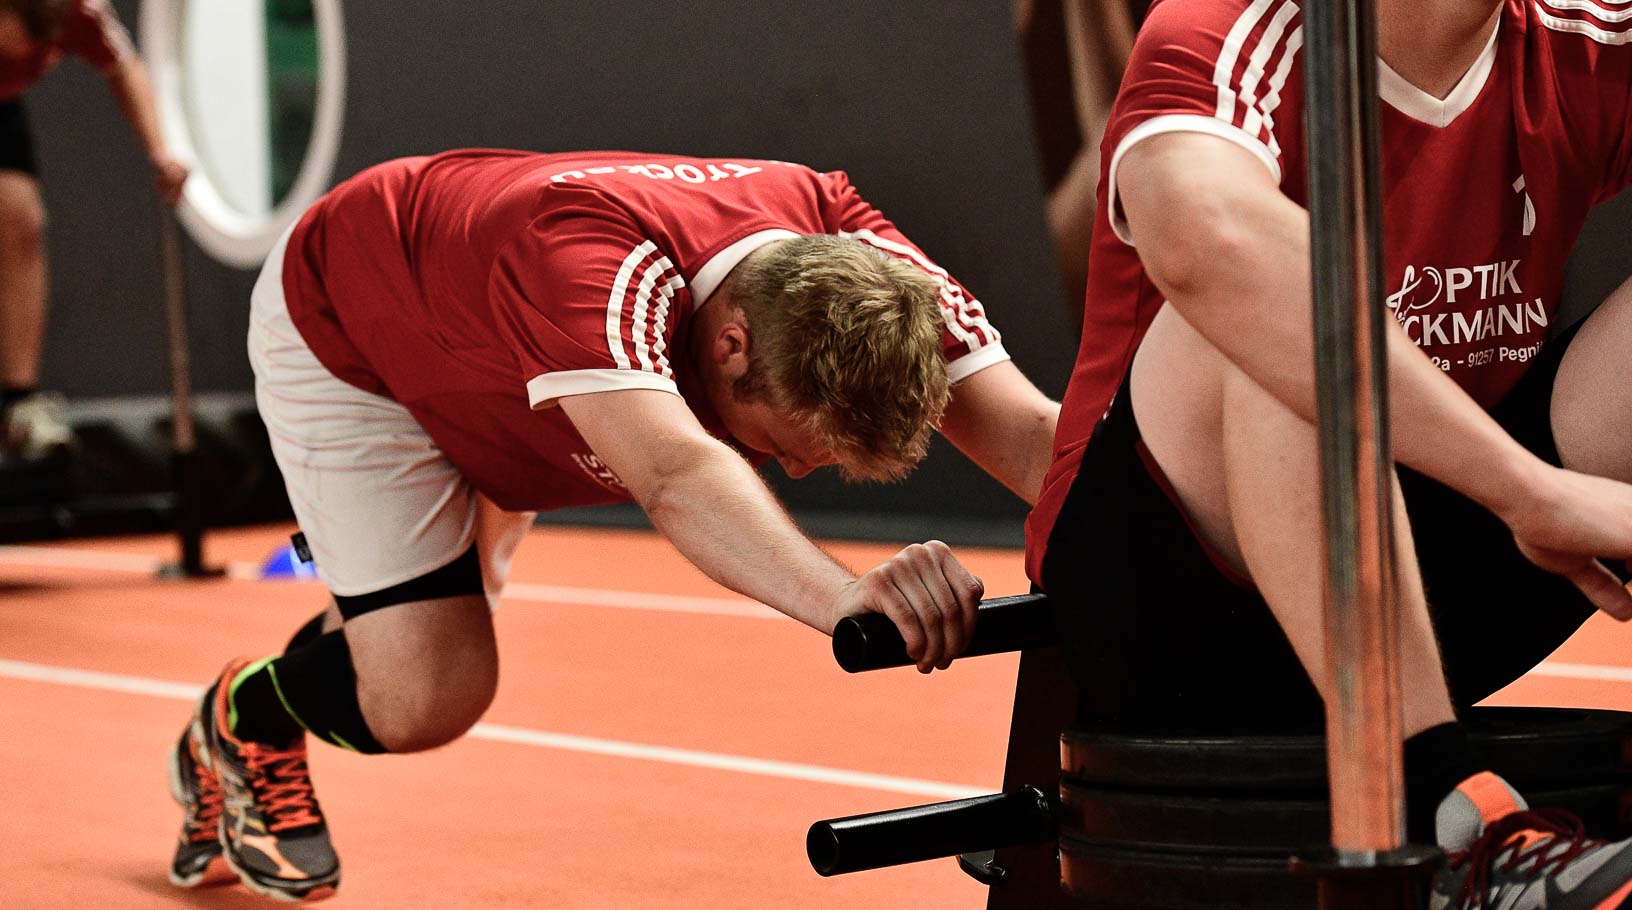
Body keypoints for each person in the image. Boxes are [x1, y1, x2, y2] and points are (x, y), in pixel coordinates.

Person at [165, 150, 1061, 899]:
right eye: (780, 444)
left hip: (512, 369)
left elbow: (1031, 437)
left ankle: (363, 624)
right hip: (358, 336)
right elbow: (676, 475)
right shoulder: (585, 257)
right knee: (424, 699)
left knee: (403, 635)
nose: (787, 471)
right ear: (730, 344)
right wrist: (843, 597)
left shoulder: (857, 246)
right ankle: (244, 717)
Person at [1027, 0, 1632, 906]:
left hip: (1446, 570)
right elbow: (1201, 239)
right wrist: (1531, 492)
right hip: (1175, 599)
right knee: (1272, 301)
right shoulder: (1224, 29)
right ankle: (1464, 829)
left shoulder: (1587, 39)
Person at [0, 0, 187, 460]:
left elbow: (125, 69)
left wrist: (159, 151)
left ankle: (18, 407)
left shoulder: (81, 11)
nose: (30, 59)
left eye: (41, 52)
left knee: (23, 219)